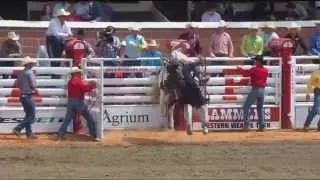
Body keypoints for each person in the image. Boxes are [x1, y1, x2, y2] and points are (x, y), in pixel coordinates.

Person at [57, 67, 98, 141]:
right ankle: (93, 134)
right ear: (76, 73)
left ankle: (60, 134)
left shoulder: (70, 82)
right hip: (78, 102)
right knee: (89, 118)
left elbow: (81, 88)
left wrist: (88, 86)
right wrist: (92, 86)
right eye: (79, 73)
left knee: (67, 119)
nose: (80, 74)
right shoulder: (78, 81)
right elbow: (84, 88)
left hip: (70, 102)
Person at [237, 55, 268, 132]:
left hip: (255, 89)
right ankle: (262, 126)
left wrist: (239, 68)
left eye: (256, 60)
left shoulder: (254, 69)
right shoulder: (266, 70)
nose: (255, 62)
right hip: (262, 90)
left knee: (246, 106)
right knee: (260, 108)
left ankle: (246, 125)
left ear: (258, 61)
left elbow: (245, 73)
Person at [12, 56, 38, 139]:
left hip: (22, 95)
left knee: (28, 115)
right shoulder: (30, 72)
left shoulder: (21, 73)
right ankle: (18, 128)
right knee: (32, 115)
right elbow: (34, 84)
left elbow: (17, 84)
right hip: (27, 95)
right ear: (29, 64)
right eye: (32, 63)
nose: (32, 64)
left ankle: (29, 133)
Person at [303, 66, 320, 131]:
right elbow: (310, 84)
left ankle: (307, 125)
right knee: (316, 109)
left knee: (314, 110)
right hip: (318, 91)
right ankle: (307, 125)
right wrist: (308, 93)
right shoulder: (316, 73)